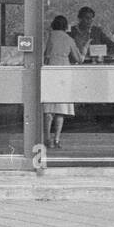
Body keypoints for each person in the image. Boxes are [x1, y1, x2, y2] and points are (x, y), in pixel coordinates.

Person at [43, 15, 82, 148]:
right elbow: (78, 58)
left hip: (49, 72)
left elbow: (42, 55)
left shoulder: (48, 36)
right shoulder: (69, 39)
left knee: (48, 109)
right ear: (66, 27)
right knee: (61, 108)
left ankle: (47, 138)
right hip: (64, 73)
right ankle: (57, 139)